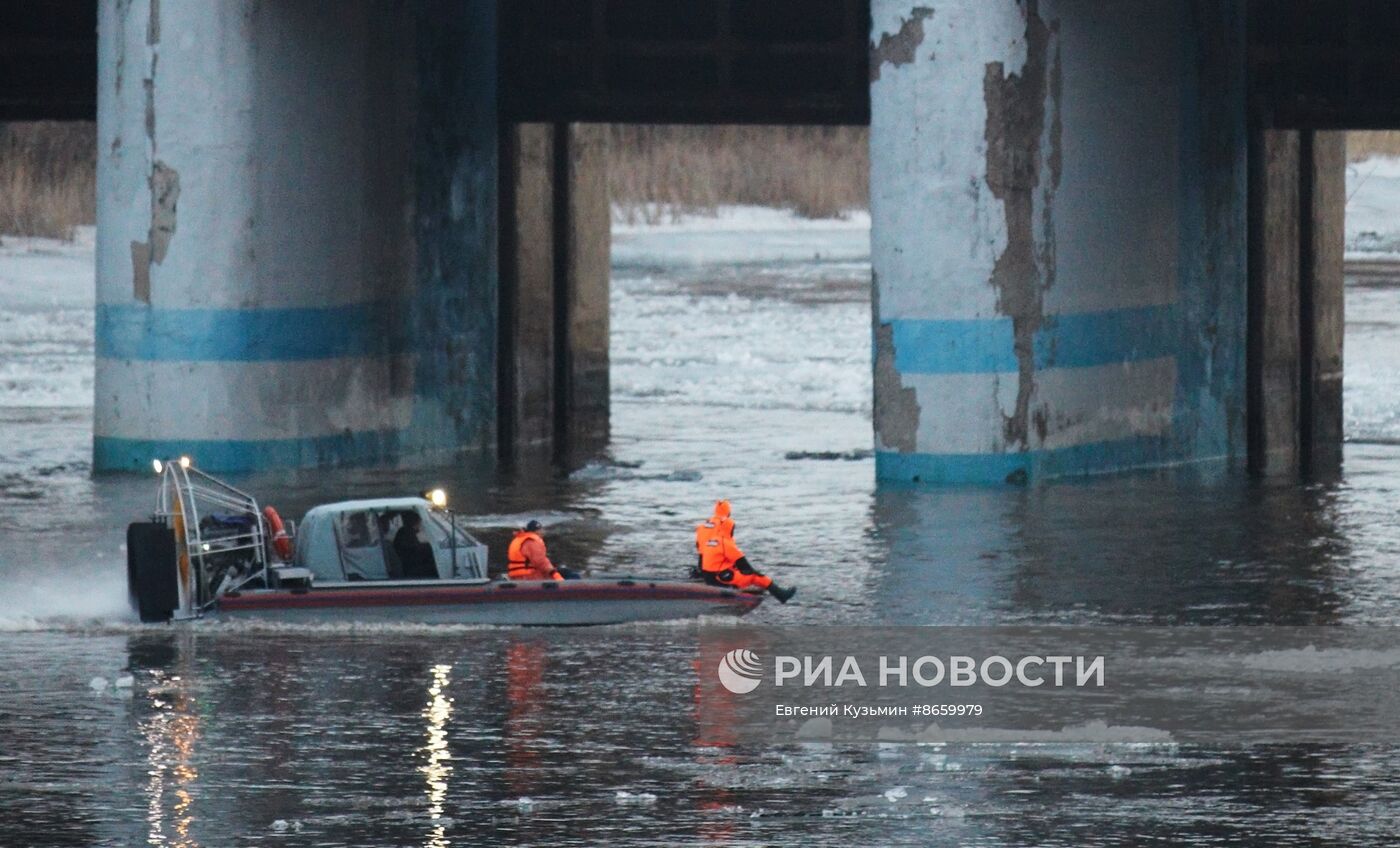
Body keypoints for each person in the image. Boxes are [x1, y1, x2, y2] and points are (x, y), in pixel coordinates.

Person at [695, 500, 796, 603]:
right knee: (756, 576)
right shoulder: (726, 543)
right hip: (720, 579)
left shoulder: (705, 529)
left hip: (707, 568)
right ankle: (781, 595)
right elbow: (745, 566)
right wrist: (758, 578)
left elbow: (700, 551)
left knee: (728, 568)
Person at [392, 511, 439, 579]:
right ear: (415, 522)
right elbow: (414, 549)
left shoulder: (405, 531)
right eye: (419, 522)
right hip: (409, 566)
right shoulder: (407, 532)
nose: (420, 524)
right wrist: (429, 547)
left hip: (408, 562)